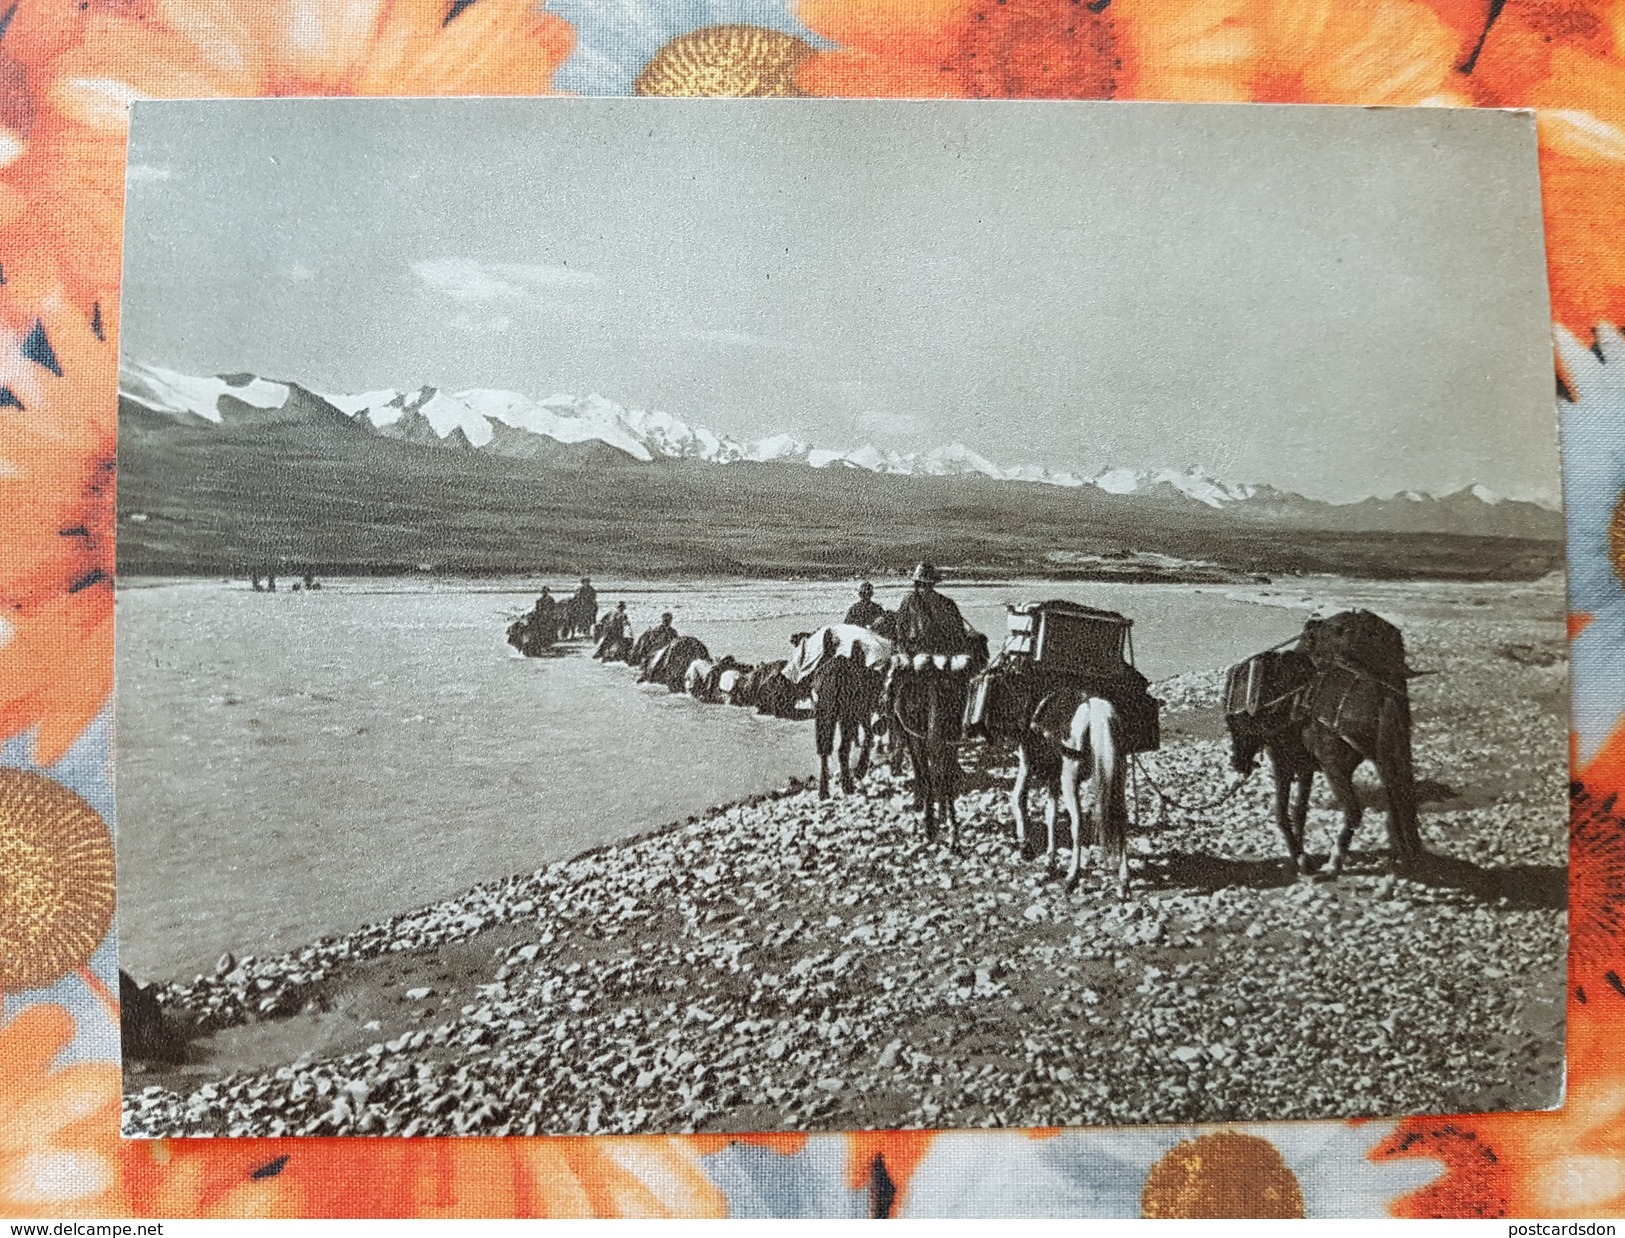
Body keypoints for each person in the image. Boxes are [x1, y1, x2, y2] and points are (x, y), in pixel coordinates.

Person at [895, 562, 972, 656]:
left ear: (916, 583)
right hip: (939, 647)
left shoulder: (908, 600)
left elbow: (901, 628)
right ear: (933, 583)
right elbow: (959, 630)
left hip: (917, 647)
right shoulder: (947, 602)